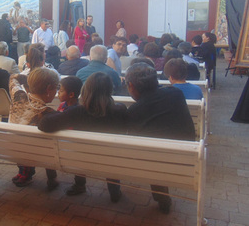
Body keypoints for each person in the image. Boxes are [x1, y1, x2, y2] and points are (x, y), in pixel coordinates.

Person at [38, 72, 127, 199]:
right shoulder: (120, 110)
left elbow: (44, 124)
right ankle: (114, 191)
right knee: (111, 153)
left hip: (81, 158)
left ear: (87, 90)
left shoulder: (79, 111)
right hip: (111, 159)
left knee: (80, 149)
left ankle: (80, 185)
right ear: (109, 90)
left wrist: (48, 113)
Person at [125, 62, 195, 213]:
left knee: (151, 155)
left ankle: (162, 198)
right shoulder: (176, 93)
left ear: (131, 86)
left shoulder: (134, 111)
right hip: (187, 156)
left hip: (155, 162)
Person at [9, 67, 59, 188]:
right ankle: (52, 178)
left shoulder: (18, 96)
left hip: (12, 147)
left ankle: (24, 172)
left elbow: (13, 78)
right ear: (48, 89)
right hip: (35, 153)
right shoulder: (48, 112)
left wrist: (30, 81)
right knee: (50, 145)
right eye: (56, 88)